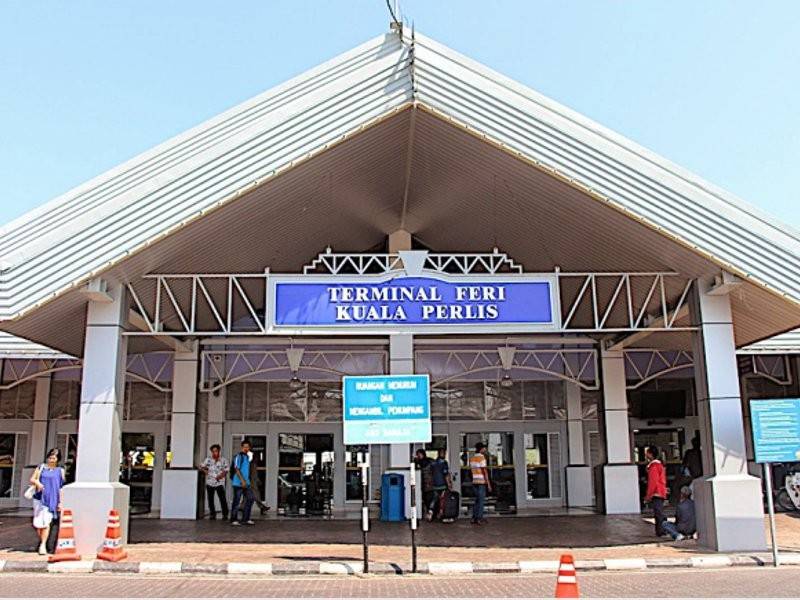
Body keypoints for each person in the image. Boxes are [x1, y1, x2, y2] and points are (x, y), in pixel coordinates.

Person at [29, 448, 65, 555]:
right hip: (40, 498)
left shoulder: (60, 471)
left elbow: (60, 487)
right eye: (50, 458)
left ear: (58, 459)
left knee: (46, 522)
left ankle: (43, 544)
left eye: (54, 458)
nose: (51, 460)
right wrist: (38, 483)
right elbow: (32, 479)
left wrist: (60, 502)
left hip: (52, 499)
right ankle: (42, 541)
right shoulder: (41, 468)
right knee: (38, 523)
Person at [199, 444, 229, 520]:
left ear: (219, 451)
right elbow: (201, 466)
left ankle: (225, 514)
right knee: (210, 499)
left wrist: (221, 476)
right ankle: (212, 514)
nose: (214, 453)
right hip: (210, 482)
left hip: (219, 482)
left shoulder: (223, 460)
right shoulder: (208, 460)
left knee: (222, 499)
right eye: (213, 451)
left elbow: (226, 470)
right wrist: (205, 471)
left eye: (216, 451)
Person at [644, 445, 668, 537]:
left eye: (647, 453)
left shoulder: (654, 466)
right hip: (660, 491)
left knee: (658, 513)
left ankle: (661, 530)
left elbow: (652, 482)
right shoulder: (659, 465)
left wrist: (648, 496)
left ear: (650, 454)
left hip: (656, 492)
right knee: (659, 512)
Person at [230, 439, 255, 526]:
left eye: (247, 447)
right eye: (244, 447)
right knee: (236, 501)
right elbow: (236, 469)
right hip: (238, 482)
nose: (246, 448)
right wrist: (242, 480)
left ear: (249, 448)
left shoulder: (248, 457)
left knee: (250, 498)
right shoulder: (238, 456)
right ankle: (233, 519)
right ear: (241, 447)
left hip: (246, 483)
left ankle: (246, 518)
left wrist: (247, 481)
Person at [469, 442, 492, 525]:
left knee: (477, 500)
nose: (485, 449)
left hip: (474, 481)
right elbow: (484, 471)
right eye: (484, 448)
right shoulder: (482, 458)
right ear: (481, 449)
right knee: (481, 500)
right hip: (481, 481)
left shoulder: (472, 458)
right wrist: (488, 483)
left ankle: (474, 517)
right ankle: (479, 518)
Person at [428, 448, 453, 521]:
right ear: (441, 453)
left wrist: (430, 483)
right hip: (442, 485)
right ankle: (441, 513)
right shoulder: (444, 463)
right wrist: (449, 484)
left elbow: (430, 474)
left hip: (435, 485)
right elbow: (446, 475)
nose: (444, 454)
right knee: (443, 500)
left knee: (434, 499)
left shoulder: (433, 463)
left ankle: (430, 511)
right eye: (444, 453)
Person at [414, 449, 434, 522]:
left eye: (419, 454)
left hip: (426, 484)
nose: (418, 456)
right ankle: (430, 514)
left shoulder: (420, 462)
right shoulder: (430, 461)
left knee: (427, 500)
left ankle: (429, 514)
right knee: (428, 499)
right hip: (428, 484)